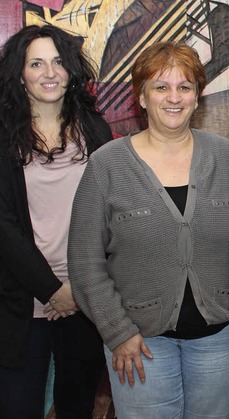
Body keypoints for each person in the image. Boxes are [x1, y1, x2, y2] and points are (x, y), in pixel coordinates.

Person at [68, 41, 229, 418]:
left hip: (221, 338)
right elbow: (85, 261)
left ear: (197, 96)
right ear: (142, 96)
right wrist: (117, 332)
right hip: (139, 342)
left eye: (185, 87)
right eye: (161, 87)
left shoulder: (228, 156)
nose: (174, 98)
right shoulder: (107, 165)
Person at [0, 24, 111, 418]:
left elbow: (110, 216)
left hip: (85, 297)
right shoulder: (3, 136)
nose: (49, 72)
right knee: (17, 408)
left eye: (59, 61)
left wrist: (77, 290)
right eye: (36, 63)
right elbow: (5, 229)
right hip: (20, 302)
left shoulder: (95, 131)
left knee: (76, 407)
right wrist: (52, 290)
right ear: (20, 74)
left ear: (71, 71)